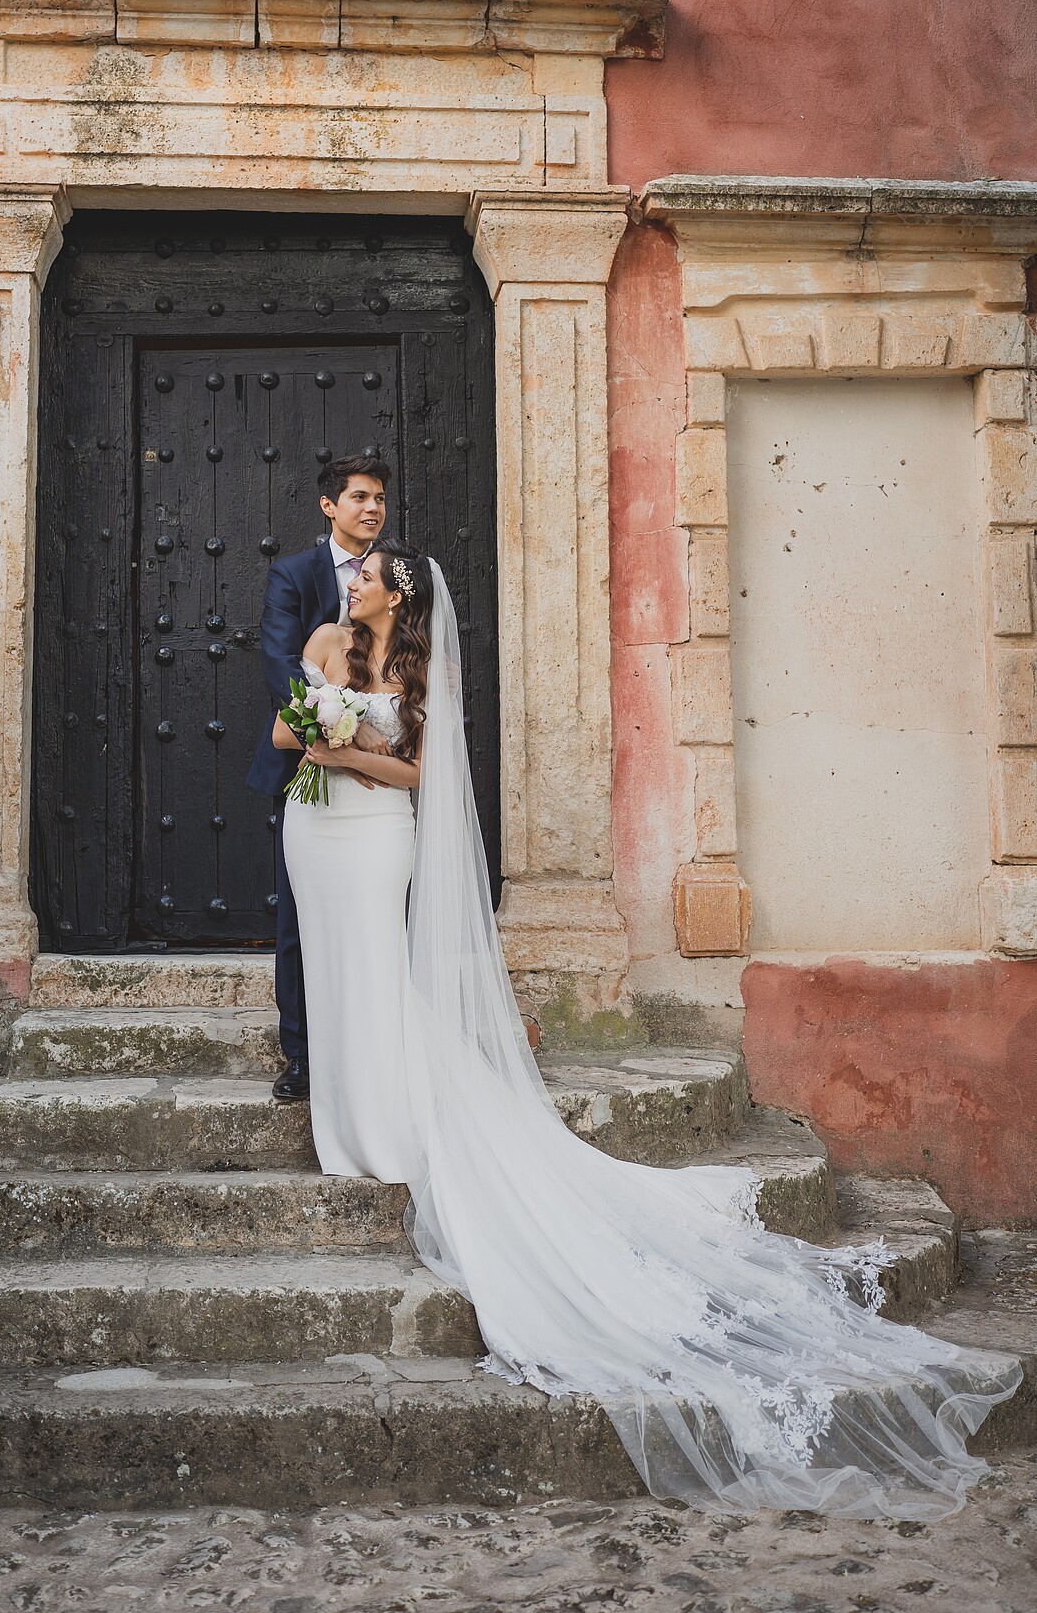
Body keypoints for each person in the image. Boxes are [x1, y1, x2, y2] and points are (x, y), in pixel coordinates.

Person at [273, 534, 1022, 1520]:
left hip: (373, 837)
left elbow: (422, 776)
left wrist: (340, 746)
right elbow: (286, 737)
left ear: (399, 598)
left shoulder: (417, 670)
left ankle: (385, 1124)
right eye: (359, 568)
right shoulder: (326, 637)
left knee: (375, 974)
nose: (357, 575)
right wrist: (315, 741)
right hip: (313, 828)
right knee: (338, 979)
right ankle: (354, 1112)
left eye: (372, 573)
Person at [245, 452, 392, 1101]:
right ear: (328, 505)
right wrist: (326, 738)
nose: (372, 508)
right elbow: (279, 663)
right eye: (359, 496)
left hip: (379, 785)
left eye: (380, 498)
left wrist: (372, 749)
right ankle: (302, 1057)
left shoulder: (402, 574)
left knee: (377, 921)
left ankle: (375, 1048)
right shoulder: (294, 575)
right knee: (299, 925)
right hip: (304, 769)